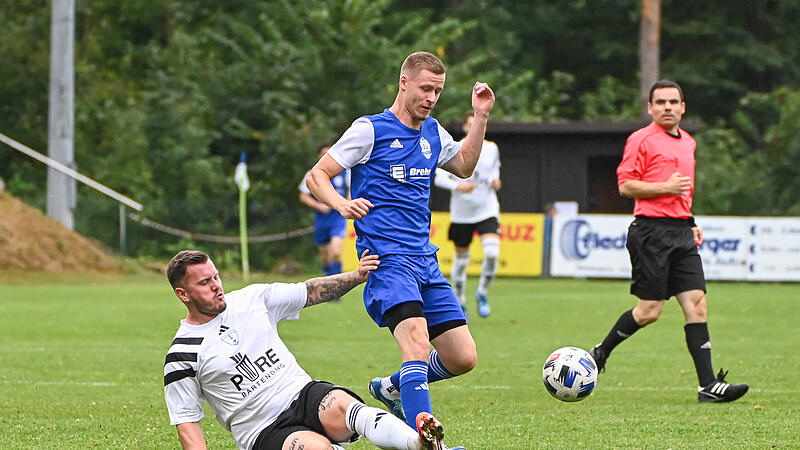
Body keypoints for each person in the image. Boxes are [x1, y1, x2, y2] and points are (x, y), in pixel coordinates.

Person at [306, 51, 495, 428]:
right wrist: (341, 204)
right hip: (386, 260)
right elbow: (317, 176)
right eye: (426, 88)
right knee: (416, 343)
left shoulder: (433, 131)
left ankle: (392, 388)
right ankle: (423, 437)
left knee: (462, 357)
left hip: (424, 260)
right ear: (404, 82)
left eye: (438, 91)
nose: (431, 97)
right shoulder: (369, 130)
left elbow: (464, 166)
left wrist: (482, 116)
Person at [163, 249, 465, 450]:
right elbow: (187, 423)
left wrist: (355, 276)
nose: (217, 285)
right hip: (264, 430)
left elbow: (309, 291)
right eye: (205, 282)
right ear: (182, 294)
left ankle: (419, 444)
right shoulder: (182, 355)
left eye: (216, 276)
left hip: (304, 394)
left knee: (347, 408)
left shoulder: (251, 299)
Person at [588, 79, 749, 403]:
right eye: (660, 102)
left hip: (681, 232)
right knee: (649, 311)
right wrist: (664, 187)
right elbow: (626, 186)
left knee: (697, 304)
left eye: (673, 102)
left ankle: (708, 385)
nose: (667, 107)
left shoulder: (688, 142)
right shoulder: (640, 140)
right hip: (651, 232)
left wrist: (690, 222)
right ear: (650, 108)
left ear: (683, 107)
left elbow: (682, 194)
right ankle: (600, 353)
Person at [433, 111, 502, 318]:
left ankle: (482, 292)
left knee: (492, 253)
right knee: (461, 260)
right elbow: (439, 179)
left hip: (487, 209)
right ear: (465, 128)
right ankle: (460, 301)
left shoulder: (491, 148)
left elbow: (495, 174)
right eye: (470, 125)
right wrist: (459, 188)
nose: (475, 128)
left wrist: (496, 182)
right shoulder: (455, 148)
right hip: (462, 213)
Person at [299, 142, 351, 277]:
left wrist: (347, 203)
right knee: (325, 256)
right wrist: (318, 205)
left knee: (336, 251)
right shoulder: (312, 173)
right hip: (321, 218)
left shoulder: (344, 172)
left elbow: (351, 189)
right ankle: (328, 283)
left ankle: (339, 287)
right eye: (323, 154)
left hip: (337, 217)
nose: (325, 156)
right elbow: (303, 196)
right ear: (318, 156)